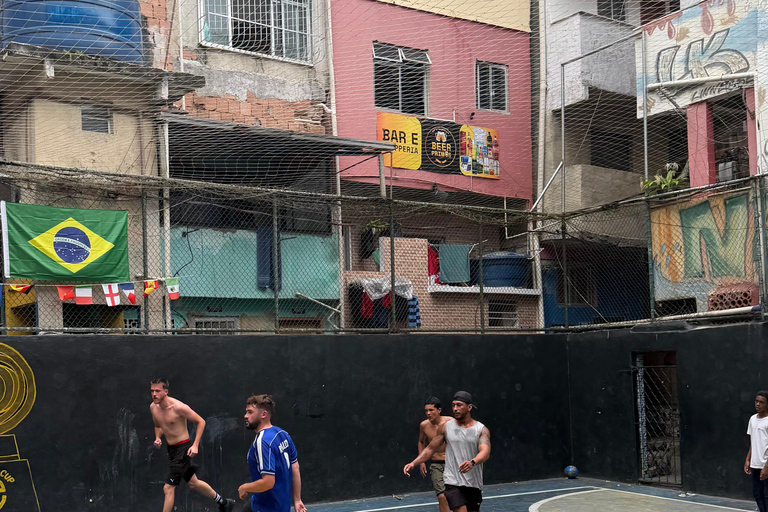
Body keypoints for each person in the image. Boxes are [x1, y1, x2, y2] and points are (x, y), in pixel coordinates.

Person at [150, 378, 235, 512]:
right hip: (171, 450)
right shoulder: (153, 408)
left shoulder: (178, 407)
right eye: (152, 391)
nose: (154, 394)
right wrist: (157, 437)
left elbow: (200, 421)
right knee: (193, 483)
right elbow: (158, 425)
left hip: (183, 449)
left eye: (157, 391)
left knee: (168, 488)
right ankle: (224, 503)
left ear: (165, 392)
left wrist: (195, 445)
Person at [404, 391, 491, 512]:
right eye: (453, 405)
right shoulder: (446, 427)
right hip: (452, 480)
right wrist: (414, 463)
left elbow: (485, 452)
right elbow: (430, 448)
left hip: (473, 482)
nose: (455, 408)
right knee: (450, 502)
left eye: (459, 405)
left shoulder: (481, 429)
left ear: (469, 407)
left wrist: (473, 462)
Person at [239, 394, 307, 512]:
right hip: (268, 503)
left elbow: (268, 482)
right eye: (246, 412)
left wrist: (244, 487)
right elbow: (295, 466)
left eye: (250, 412)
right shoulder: (282, 434)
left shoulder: (263, 442)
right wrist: (297, 500)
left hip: (267, 508)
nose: (245, 416)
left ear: (263, 414)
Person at [418, 397, 451, 512]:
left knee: (457, 498)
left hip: (452, 464)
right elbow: (421, 442)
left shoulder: (450, 422)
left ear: (439, 410)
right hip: (436, 464)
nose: (428, 413)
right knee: (442, 496)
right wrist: (421, 461)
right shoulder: (424, 425)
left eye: (431, 410)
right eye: (426, 410)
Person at [745, 390, 768, 512]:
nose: (758, 404)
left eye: (761, 402)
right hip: (755, 465)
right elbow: (753, 442)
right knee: (757, 494)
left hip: (765, 465)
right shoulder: (753, 419)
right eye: (756, 401)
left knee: (767, 496)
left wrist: (766, 466)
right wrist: (748, 459)